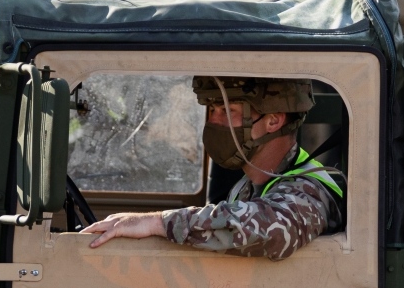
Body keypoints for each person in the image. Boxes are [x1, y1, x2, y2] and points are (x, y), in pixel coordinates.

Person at [80, 76, 342, 261]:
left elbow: (268, 229)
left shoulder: (309, 190)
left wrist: (156, 222)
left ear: (273, 121)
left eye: (228, 110)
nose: (214, 121)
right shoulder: (246, 185)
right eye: (213, 109)